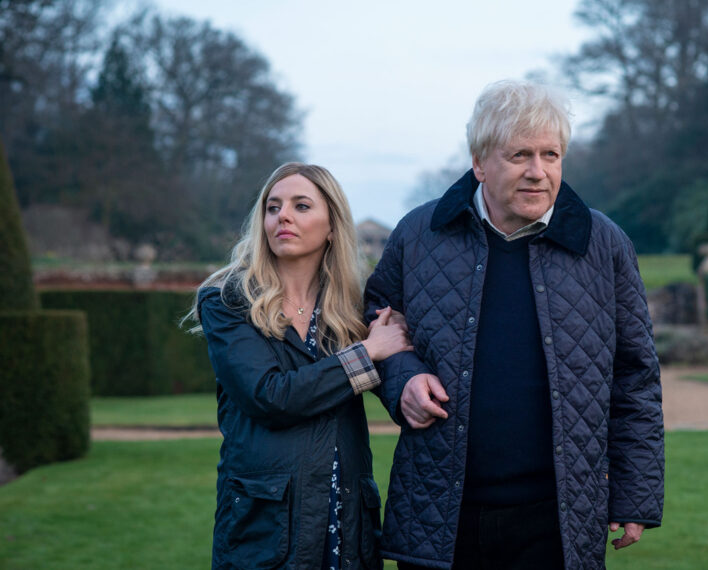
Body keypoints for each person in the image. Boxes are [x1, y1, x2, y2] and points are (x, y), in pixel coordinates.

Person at [364, 80, 664, 569]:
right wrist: (403, 380)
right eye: (519, 154)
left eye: (551, 154)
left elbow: (636, 375)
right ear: (479, 162)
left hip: (559, 519)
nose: (537, 172)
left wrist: (636, 493)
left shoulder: (604, 242)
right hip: (441, 512)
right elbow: (375, 317)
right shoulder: (419, 234)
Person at [187, 162, 411, 569]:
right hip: (267, 529)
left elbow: (397, 380)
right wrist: (367, 354)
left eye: (301, 205)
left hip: (347, 526)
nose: (282, 216)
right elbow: (269, 396)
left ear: (331, 227)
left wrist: (408, 365)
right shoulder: (227, 301)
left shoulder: (350, 312)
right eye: (273, 207)